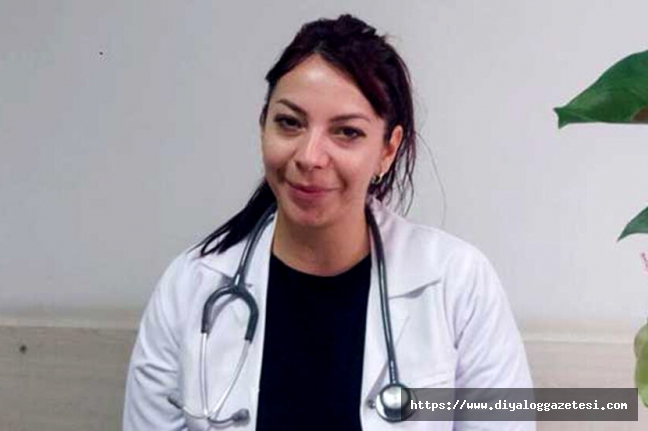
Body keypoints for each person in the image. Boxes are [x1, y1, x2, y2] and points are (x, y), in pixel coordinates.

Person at [123, 14, 534, 431]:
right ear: (263, 126)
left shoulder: (458, 283)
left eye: (347, 132)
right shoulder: (189, 287)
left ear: (388, 150)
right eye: (290, 123)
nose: (309, 156)